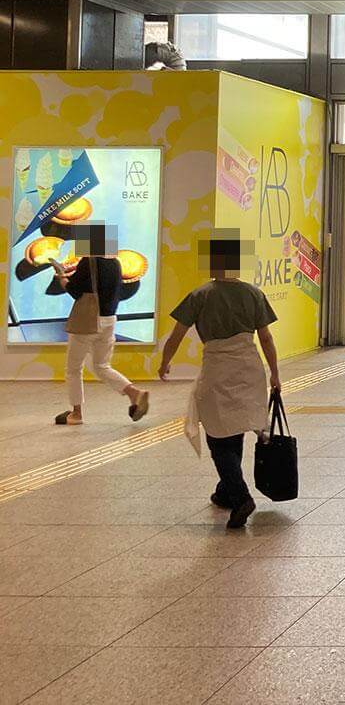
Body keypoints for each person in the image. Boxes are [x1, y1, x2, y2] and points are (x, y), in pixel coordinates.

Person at [158, 233, 281, 530]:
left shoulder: (201, 295)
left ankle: (240, 497)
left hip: (217, 367)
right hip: (249, 367)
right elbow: (265, 336)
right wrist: (275, 372)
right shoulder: (253, 293)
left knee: (217, 433)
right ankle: (225, 491)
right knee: (235, 426)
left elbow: (177, 333)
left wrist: (165, 361)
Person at [52, 224, 149, 426]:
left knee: (73, 369)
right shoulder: (116, 263)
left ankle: (76, 413)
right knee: (101, 366)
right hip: (109, 320)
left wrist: (61, 277)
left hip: (89, 321)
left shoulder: (88, 262)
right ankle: (134, 393)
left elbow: (74, 290)